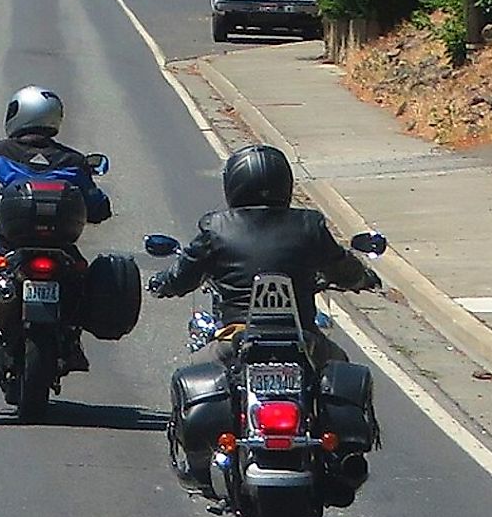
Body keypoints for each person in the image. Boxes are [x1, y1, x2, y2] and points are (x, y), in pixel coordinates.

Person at [148, 142, 379, 363]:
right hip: (301, 339)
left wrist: (163, 282)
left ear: (234, 184)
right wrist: (363, 278)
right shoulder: (310, 225)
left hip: (235, 338)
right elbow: (341, 266)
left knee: (193, 370)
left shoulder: (216, 228)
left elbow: (183, 275)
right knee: (339, 365)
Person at [0, 86, 110, 371]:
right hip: (61, 248)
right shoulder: (73, 161)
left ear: (18, 113)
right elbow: (98, 205)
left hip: (8, 245)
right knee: (80, 278)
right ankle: (73, 340)